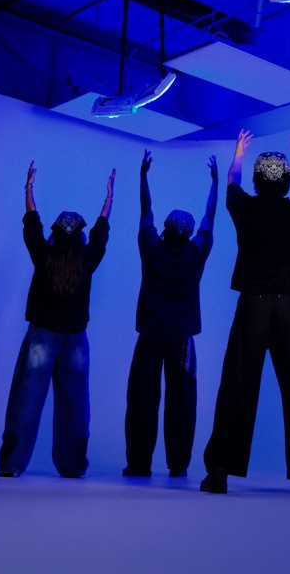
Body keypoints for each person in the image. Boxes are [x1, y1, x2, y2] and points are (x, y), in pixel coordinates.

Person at [200, 129, 290, 497]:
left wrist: (239, 152)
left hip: (252, 306)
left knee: (236, 387)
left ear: (257, 180)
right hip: (287, 305)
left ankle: (219, 472)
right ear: (286, 181)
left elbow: (232, 180)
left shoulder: (243, 207)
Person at [0, 160, 115, 478]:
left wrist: (29, 187)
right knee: (75, 404)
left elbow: (31, 224)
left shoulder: (43, 255)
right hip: (75, 338)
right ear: (79, 238)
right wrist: (109, 197)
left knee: (26, 399)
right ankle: (73, 466)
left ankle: (11, 465)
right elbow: (101, 233)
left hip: (42, 336)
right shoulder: (88, 259)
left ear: (55, 234)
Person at [123, 150, 218, 478]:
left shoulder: (151, 248)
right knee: (182, 401)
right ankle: (178, 464)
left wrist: (143, 176)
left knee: (142, 399)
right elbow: (209, 219)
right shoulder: (196, 253)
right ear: (188, 234)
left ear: (165, 229)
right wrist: (215, 183)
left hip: (150, 335)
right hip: (182, 339)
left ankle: (139, 464)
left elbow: (145, 211)